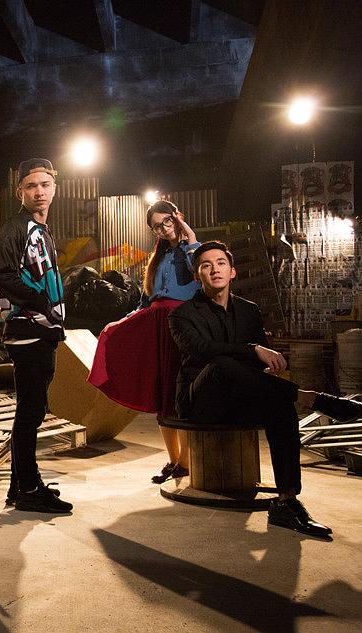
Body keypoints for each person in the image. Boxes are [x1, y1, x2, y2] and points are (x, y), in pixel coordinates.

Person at [169, 241, 362, 538]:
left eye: (221, 263)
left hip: (243, 397)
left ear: (232, 272)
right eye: (206, 265)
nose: (214, 269)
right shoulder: (182, 314)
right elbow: (202, 351)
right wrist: (253, 349)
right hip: (202, 401)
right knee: (220, 364)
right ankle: (308, 397)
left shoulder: (249, 310)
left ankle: (287, 502)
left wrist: (262, 362)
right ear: (197, 276)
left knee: (280, 405)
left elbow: (259, 363)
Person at [88, 200, 200, 484]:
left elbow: (200, 274)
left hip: (182, 325)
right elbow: (146, 301)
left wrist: (189, 237)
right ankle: (173, 460)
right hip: (155, 327)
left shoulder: (193, 251)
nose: (163, 229)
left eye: (167, 221)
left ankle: (186, 462)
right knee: (161, 391)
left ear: (177, 217)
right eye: (156, 227)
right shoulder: (158, 258)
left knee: (179, 392)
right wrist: (121, 322)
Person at [0, 158, 74, 514]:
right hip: (28, 330)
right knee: (30, 412)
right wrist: (41, 303)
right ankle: (28, 487)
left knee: (32, 410)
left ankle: (19, 487)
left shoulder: (41, 230)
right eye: (31, 186)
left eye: (44, 185)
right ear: (19, 192)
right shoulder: (17, 228)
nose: (39, 191)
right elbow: (3, 274)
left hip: (42, 329)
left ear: (55, 188)